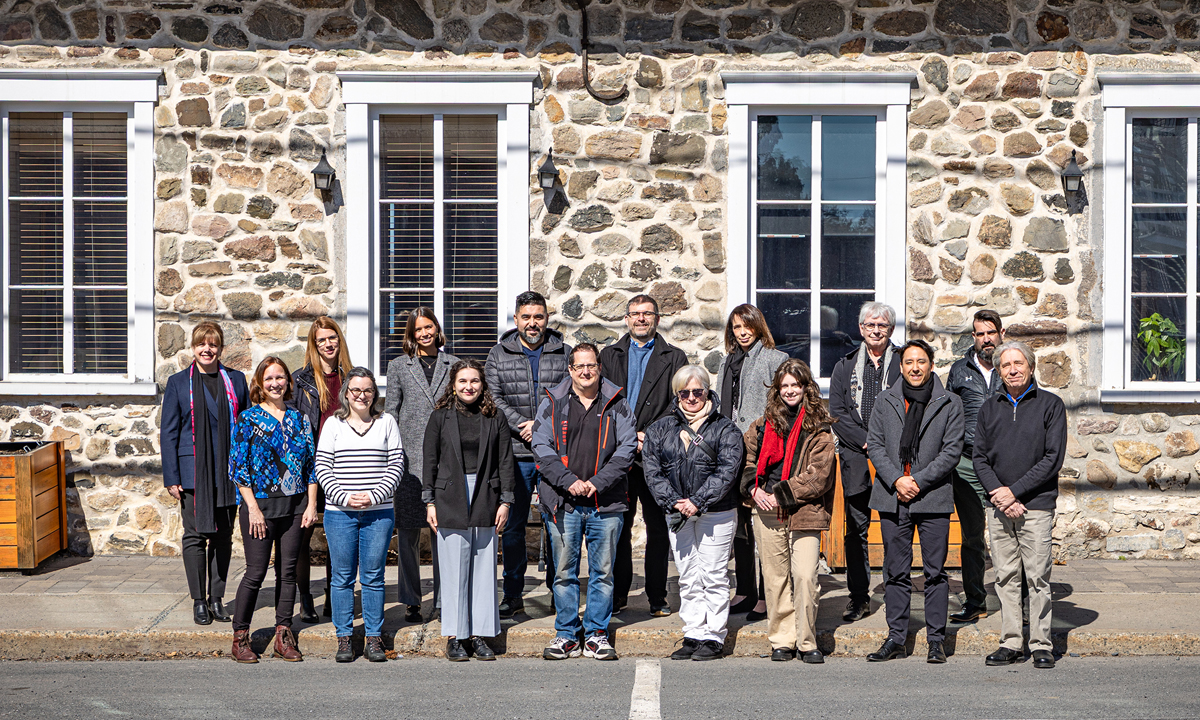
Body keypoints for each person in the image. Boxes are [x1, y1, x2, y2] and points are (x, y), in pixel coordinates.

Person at [532, 344, 637, 661]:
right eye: (579, 366)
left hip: (606, 503)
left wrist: (595, 483)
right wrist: (570, 481)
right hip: (563, 502)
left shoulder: (618, 404)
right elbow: (541, 448)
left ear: (599, 367)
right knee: (564, 573)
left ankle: (596, 635)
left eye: (591, 365)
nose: (586, 371)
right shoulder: (552, 403)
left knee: (603, 573)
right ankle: (566, 634)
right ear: (570, 369)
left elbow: (626, 451)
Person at [865, 340, 963, 664]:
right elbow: (875, 445)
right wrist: (897, 479)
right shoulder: (885, 400)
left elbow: (951, 451)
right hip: (893, 497)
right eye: (909, 362)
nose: (915, 367)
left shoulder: (949, 403)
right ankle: (896, 638)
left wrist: (918, 481)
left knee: (935, 572)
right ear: (901, 366)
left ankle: (936, 639)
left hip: (932, 496)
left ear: (931, 365)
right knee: (895, 571)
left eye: (921, 361)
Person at [974, 342, 1066, 670]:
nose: (1012, 369)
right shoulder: (989, 408)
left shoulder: (1051, 406)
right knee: (1005, 576)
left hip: (1035, 506)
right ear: (998, 371)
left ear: (1031, 366)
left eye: (1018, 363)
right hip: (999, 506)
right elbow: (979, 457)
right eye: (1005, 365)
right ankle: (1011, 642)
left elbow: (1052, 459)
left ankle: (1041, 643)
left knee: (1038, 577)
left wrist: (1014, 492)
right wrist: (999, 493)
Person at [642, 366, 744, 661]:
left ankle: (713, 636)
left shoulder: (726, 429)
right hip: (677, 512)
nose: (691, 398)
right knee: (687, 575)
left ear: (707, 392)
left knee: (713, 574)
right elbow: (652, 470)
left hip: (716, 512)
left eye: (697, 391)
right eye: (684, 393)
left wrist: (697, 501)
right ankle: (693, 632)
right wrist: (674, 501)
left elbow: (728, 471)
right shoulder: (661, 429)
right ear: (676, 395)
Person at [741, 359, 838, 664]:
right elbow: (747, 463)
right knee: (775, 578)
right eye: (784, 385)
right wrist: (753, 489)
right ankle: (783, 639)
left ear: (806, 387)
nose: (790, 391)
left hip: (804, 510)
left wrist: (780, 494)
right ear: (777, 389)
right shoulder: (760, 425)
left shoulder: (820, 428)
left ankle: (807, 640)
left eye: (796, 384)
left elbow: (818, 476)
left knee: (806, 575)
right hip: (766, 509)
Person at [601, 294, 688, 617]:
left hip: (656, 456)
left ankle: (657, 596)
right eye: (635, 314)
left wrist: (648, 436)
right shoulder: (609, 356)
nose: (641, 319)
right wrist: (626, 436)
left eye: (647, 314)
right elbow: (603, 401)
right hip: (618, 455)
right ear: (626, 319)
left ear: (657, 319)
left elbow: (677, 403)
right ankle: (619, 593)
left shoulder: (674, 357)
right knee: (619, 527)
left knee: (657, 528)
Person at [423, 360, 516, 662]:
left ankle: (477, 634)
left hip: (486, 495)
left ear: (482, 384)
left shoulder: (495, 416)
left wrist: (505, 500)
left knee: (483, 569)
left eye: (474, 381)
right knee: (453, 571)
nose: (469, 387)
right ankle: (455, 635)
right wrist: (429, 501)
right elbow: (429, 460)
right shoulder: (440, 417)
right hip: (450, 495)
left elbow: (505, 461)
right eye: (462, 381)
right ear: (453, 385)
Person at [485, 291, 571, 618]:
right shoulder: (498, 354)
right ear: (517, 319)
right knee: (514, 525)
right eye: (526, 317)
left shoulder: (564, 352)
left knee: (556, 524)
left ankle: (557, 590)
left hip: (554, 454)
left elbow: (569, 393)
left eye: (538, 317)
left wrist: (542, 425)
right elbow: (493, 398)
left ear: (546, 318)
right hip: (514, 453)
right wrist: (523, 424)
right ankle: (512, 592)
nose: (532, 323)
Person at [228, 357, 318, 664]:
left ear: (288, 382)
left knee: (288, 572)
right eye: (269, 379)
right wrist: (252, 509)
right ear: (260, 384)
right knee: (255, 572)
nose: (275, 383)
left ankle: (283, 635)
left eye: (280, 377)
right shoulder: (248, 419)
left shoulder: (299, 419)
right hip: (260, 509)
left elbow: (311, 467)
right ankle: (240, 637)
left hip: (294, 509)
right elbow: (238, 470)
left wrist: (312, 504)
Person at [160, 322, 249, 626]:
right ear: (193, 348)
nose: (207, 349)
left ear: (220, 348)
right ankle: (199, 600)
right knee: (196, 536)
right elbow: (169, 432)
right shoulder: (177, 383)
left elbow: (247, 428)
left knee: (223, 537)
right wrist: (172, 476)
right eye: (202, 344)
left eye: (213, 344)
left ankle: (217, 598)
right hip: (193, 472)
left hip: (228, 471)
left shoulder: (236, 381)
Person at [316, 367, 404, 664]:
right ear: (346, 394)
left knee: (373, 577)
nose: (361, 395)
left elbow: (396, 464)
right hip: (340, 513)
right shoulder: (333, 425)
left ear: (374, 393)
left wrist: (374, 495)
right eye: (355, 390)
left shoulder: (386, 422)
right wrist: (343, 497)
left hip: (378, 513)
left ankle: (373, 638)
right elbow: (322, 467)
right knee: (341, 578)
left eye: (367, 390)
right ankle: (344, 637)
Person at [828, 302, 901, 623]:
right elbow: (838, 413)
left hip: (894, 457)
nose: (875, 330)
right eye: (870, 325)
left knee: (892, 528)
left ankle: (895, 593)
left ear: (890, 329)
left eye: (882, 326)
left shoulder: (903, 362)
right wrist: (866, 440)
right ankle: (858, 598)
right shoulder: (844, 366)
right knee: (855, 529)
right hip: (856, 456)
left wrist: (885, 442)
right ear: (860, 329)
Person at [386, 307, 460, 623]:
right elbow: (391, 411)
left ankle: (443, 599)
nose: (425, 333)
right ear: (411, 334)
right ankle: (411, 599)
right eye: (418, 329)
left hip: (445, 460)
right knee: (408, 535)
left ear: (436, 328)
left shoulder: (453, 364)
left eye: (429, 327)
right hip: (409, 462)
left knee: (443, 532)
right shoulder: (399, 366)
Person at [716, 304, 787, 621]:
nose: (741, 332)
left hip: (759, 449)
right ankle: (745, 590)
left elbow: (783, 405)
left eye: (746, 326)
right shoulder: (726, 362)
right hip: (730, 450)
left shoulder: (776, 359)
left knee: (762, 524)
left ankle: (765, 594)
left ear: (758, 327)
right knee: (739, 526)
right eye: (735, 327)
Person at [288, 316, 351, 622]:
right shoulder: (301, 381)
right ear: (314, 345)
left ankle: (333, 593)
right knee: (303, 533)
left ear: (339, 340)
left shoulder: (351, 377)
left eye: (332, 338)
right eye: (321, 340)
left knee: (337, 536)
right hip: (308, 468)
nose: (328, 344)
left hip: (343, 468)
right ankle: (305, 598)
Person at [946, 309, 1006, 624]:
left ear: (1001, 333)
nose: (986, 339)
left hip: (1001, 465)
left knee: (1009, 536)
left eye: (990, 333)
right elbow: (946, 414)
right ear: (973, 337)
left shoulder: (1011, 367)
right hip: (966, 463)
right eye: (980, 334)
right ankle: (975, 601)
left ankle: (1016, 603)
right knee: (972, 536)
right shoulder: (959, 371)